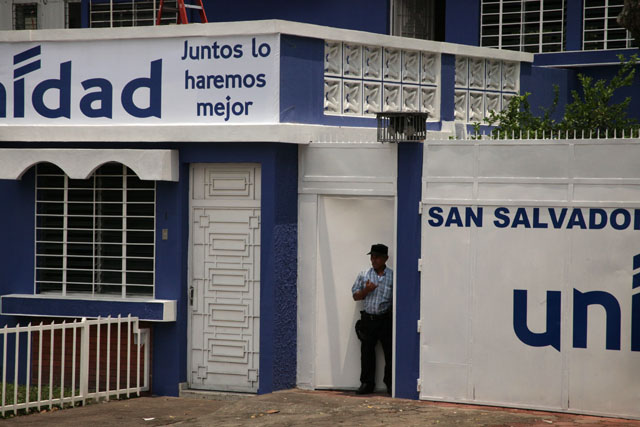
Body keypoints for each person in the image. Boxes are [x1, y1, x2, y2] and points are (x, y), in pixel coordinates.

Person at [351, 243, 393, 395]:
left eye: (377, 257)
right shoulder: (364, 274)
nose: (374, 260)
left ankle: (390, 383)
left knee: (390, 353)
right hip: (368, 320)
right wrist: (366, 290)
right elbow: (356, 296)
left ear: (385, 258)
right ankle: (367, 383)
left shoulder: (392, 276)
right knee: (367, 352)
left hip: (385, 320)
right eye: (372, 257)